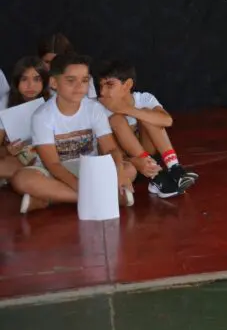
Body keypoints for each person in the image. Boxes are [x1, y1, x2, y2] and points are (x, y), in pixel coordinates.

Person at [11, 54, 150, 213]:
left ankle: (49, 199)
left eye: (84, 80)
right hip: (54, 172)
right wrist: (82, 189)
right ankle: (105, 197)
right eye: (71, 81)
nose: (79, 87)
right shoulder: (42, 116)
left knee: (129, 169)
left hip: (89, 167)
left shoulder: (94, 109)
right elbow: (53, 164)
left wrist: (118, 172)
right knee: (21, 180)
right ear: (54, 82)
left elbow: (111, 149)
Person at [95, 60, 198, 199]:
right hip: (127, 163)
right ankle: (158, 177)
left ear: (127, 85)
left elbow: (167, 121)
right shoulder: (98, 108)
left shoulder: (144, 98)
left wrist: (125, 109)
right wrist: (135, 161)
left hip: (150, 158)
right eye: (101, 86)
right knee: (116, 120)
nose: (102, 91)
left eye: (109, 85)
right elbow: (105, 150)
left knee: (149, 115)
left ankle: (175, 169)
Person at [0, 57, 51, 181]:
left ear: (44, 81)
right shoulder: (6, 101)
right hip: (17, 158)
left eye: (37, 79)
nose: (30, 85)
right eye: (24, 79)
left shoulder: (53, 99)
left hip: (49, 156)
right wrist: (7, 150)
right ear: (16, 82)